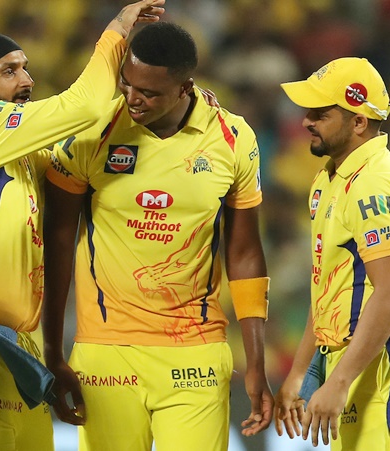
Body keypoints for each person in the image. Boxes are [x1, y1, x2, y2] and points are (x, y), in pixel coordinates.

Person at [0, 1, 165, 450]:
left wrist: (180, 104)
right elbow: (86, 106)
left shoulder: (18, 152)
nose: (27, 80)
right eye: (10, 71)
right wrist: (115, 30)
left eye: (26, 68)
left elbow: (86, 142)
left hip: (19, 346)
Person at [42, 22, 274, 451]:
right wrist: (52, 348)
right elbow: (56, 240)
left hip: (196, 353)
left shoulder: (233, 138)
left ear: (185, 87)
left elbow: (244, 253)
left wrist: (255, 361)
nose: (133, 99)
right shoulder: (94, 132)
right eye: (127, 85)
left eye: (149, 93)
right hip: (105, 352)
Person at [274, 57, 390, 449]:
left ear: (359, 121)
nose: (306, 121)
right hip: (353, 359)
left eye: (321, 113)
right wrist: (300, 371)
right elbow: (328, 282)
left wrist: (341, 379)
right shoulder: (329, 179)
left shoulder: (373, 184)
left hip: (389, 360)